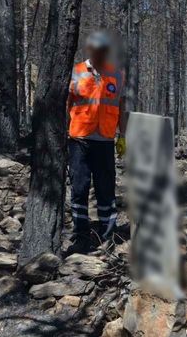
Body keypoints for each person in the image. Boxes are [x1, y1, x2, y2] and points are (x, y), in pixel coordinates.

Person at [67, 31, 127, 253]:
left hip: (105, 140)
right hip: (79, 138)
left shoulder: (117, 74)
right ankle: (81, 235)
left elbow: (121, 107)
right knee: (80, 188)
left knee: (106, 189)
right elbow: (66, 103)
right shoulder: (76, 72)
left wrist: (123, 135)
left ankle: (107, 235)